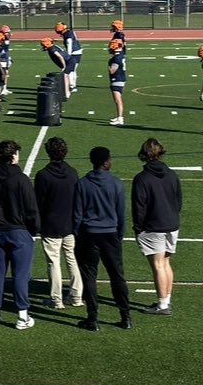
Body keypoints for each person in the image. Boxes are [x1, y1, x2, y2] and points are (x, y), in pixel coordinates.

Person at [0, 139, 40, 330]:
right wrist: (34, 230)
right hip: (18, 231)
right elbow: (31, 209)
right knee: (20, 274)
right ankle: (22, 315)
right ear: (13, 157)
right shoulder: (21, 179)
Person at [73, 146, 132, 331]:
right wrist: (119, 235)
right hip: (110, 234)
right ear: (106, 162)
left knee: (89, 276)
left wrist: (77, 234)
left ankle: (92, 318)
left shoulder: (83, 183)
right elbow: (121, 213)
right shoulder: (115, 183)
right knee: (117, 276)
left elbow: (77, 214)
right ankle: (125, 316)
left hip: (88, 234)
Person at [132, 138, 182, 316]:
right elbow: (178, 201)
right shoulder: (172, 174)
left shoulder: (142, 178)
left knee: (158, 265)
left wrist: (138, 228)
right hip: (172, 223)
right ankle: (166, 300)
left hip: (154, 226)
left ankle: (162, 304)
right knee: (166, 263)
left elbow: (139, 207)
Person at [34, 136, 84, 310]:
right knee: (72, 259)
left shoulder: (43, 175)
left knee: (53, 262)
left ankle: (56, 298)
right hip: (69, 224)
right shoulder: (72, 172)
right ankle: (76, 295)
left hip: (51, 225)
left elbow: (38, 202)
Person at [40, 36, 71, 101]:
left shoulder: (52, 49)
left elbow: (60, 56)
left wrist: (64, 66)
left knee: (65, 76)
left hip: (68, 62)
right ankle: (69, 87)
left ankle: (67, 93)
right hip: (69, 60)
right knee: (66, 75)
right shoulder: (53, 47)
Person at [55, 22, 82, 94]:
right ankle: (73, 85)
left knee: (70, 70)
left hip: (74, 53)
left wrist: (68, 55)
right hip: (78, 52)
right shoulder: (70, 32)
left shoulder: (67, 35)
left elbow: (69, 43)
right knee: (73, 70)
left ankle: (72, 86)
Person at [107, 37, 127, 126]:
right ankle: (119, 117)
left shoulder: (116, 58)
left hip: (117, 79)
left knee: (118, 100)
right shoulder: (120, 55)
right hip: (120, 78)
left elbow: (112, 70)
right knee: (117, 100)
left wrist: (107, 66)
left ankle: (120, 118)